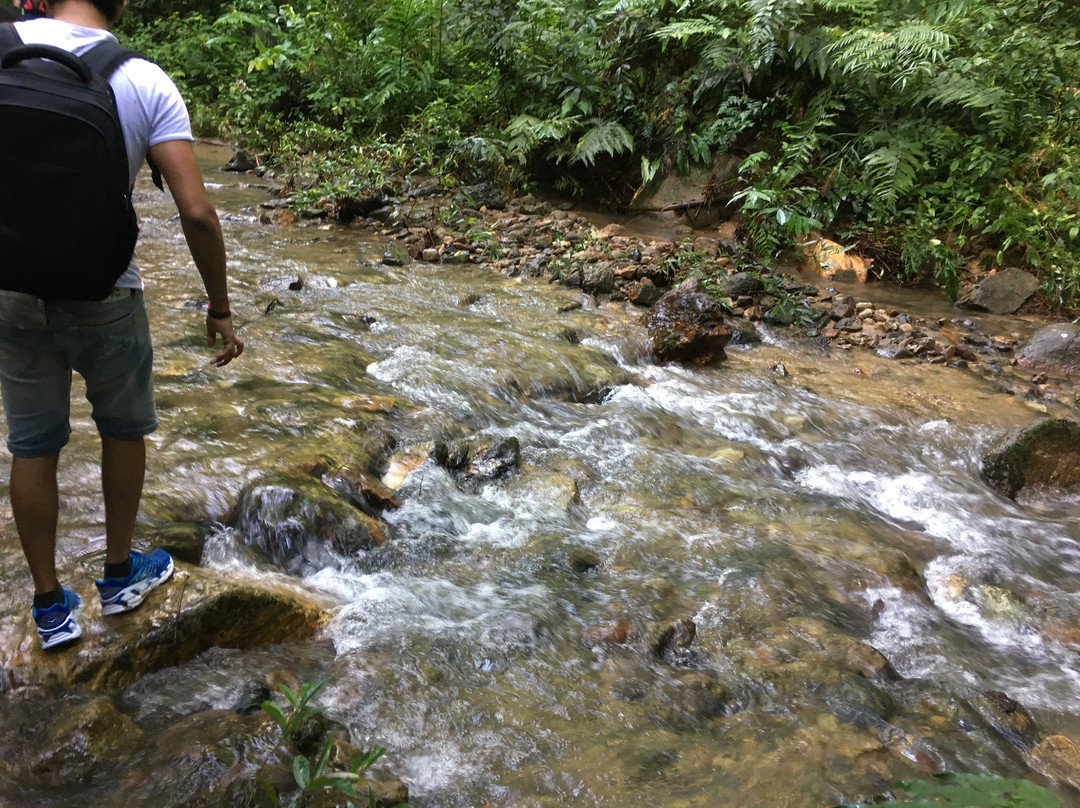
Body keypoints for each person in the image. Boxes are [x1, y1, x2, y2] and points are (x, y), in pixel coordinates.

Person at [0, 0, 244, 649]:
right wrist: (219, 309)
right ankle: (118, 576)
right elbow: (195, 212)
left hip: (12, 288)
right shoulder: (142, 78)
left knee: (33, 443)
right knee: (122, 428)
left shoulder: (2, 51)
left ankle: (50, 608)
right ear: (126, 2)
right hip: (106, 289)